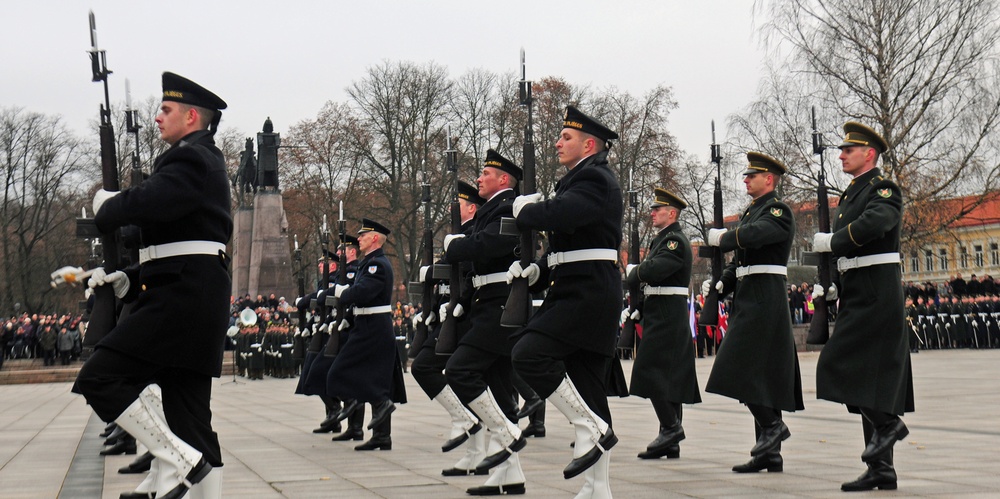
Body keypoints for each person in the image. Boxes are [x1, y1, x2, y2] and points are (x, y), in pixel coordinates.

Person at [74, 71, 230, 498]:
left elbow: (151, 202)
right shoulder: (199, 159)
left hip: (181, 299)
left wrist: (110, 205)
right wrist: (131, 277)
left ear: (192, 116)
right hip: (190, 292)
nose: (158, 117)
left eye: (166, 109)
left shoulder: (192, 158)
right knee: (192, 419)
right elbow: (179, 239)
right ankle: (187, 460)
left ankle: (178, 460)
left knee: (99, 378)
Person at [508, 105, 623, 498]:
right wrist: (539, 271)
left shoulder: (595, 178)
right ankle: (598, 489)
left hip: (587, 293)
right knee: (589, 388)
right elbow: (570, 241)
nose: (558, 143)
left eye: (566, 137)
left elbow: (564, 215)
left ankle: (592, 428)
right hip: (578, 287)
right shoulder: (580, 179)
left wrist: (526, 211)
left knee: (528, 353)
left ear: (589, 144)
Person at [811, 122, 914, 491]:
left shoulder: (883, 189)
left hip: (876, 292)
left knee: (837, 365)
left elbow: (877, 223)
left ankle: (888, 427)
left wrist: (833, 241)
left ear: (869, 153)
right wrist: (835, 285)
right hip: (857, 290)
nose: (841, 155)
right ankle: (882, 469)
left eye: (848, 150)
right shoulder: (853, 192)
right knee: (871, 379)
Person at [704, 151, 804, 474]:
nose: (745, 179)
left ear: (769, 179)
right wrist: (722, 284)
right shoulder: (752, 212)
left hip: (765, 297)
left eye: (752, 175)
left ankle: (772, 426)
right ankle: (769, 454)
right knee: (763, 374)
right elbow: (740, 262)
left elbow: (755, 236)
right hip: (750, 295)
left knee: (738, 365)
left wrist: (726, 237)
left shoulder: (777, 211)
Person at [442, 152, 526, 495]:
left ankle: (507, 435)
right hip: (486, 303)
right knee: (501, 391)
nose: (479, 178)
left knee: (459, 370)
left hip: (499, 306)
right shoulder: (493, 209)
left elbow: (490, 245)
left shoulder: (507, 209)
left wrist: (457, 244)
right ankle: (510, 475)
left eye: (486, 173)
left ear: (503, 180)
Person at [409, 180, 488, 478]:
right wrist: (430, 309)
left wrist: (458, 302)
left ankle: (466, 424)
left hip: (465, 315)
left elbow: (468, 276)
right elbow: (447, 277)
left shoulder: (472, 236)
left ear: (471, 207)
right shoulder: (459, 237)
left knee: (440, 371)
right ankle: (474, 447)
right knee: (444, 374)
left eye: (458, 203)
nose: (451, 208)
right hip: (449, 316)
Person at [625, 188, 701, 460]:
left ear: (672, 213)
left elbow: (656, 270)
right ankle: (670, 437)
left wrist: (634, 271)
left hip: (668, 314)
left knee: (653, 371)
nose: (652, 213)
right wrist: (639, 308)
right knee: (668, 376)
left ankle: (670, 428)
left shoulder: (674, 241)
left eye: (657, 209)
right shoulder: (663, 239)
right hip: (660, 310)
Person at [326, 218, 406, 451]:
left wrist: (344, 293)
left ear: (374, 239)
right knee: (375, 379)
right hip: (367, 324)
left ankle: (374, 406)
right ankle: (382, 434)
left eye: (363, 235)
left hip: (374, 326)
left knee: (341, 373)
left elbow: (363, 293)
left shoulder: (377, 265)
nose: (358, 238)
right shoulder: (368, 263)